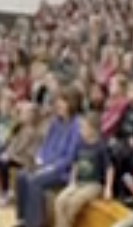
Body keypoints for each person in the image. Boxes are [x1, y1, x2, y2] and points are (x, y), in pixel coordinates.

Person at [13, 86, 81, 227]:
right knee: (21, 176)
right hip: (46, 166)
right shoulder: (56, 123)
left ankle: (34, 224)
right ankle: (22, 219)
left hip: (62, 171)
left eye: (63, 101)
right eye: (59, 101)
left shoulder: (77, 125)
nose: (59, 104)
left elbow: (70, 157)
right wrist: (39, 160)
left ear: (72, 103)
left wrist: (49, 168)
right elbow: (45, 146)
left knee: (34, 180)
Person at [54, 112, 114, 227]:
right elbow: (75, 164)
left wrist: (108, 188)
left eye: (83, 127)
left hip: (93, 185)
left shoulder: (101, 146)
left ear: (93, 129)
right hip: (79, 183)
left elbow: (109, 168)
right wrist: (72, 182)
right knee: (59, 201)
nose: (80, 130)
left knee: (73, 203)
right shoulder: (79, 143)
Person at [0, 102, 43, 206]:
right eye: (21, 113)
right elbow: (2, 138)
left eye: (24, 113)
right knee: (0, 160)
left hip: (27, 159)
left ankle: (6, 193)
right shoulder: (18, 127)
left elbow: (21, 148)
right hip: (17, 156)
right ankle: (5, 191)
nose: (21, 115)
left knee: (2, 163)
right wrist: (12, 122)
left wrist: (9, 155)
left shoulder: (32, 131)